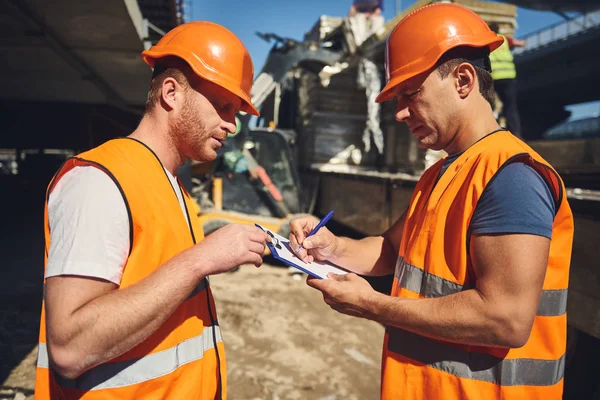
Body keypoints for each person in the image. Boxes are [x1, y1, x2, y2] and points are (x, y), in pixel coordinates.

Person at [289, 4, 573, 399]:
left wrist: (373, 304)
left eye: (411, 93)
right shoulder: (440, 173)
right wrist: (331, 247)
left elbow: (505, 319)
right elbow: (391, 249)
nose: (401, 112)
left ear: (462, 80)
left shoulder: (511, 177)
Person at [34, 21, 269, 399]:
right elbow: (69, 346)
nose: (232, 124)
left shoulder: (173, 185)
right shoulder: (99, 182)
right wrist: (200, 259)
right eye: (224, 105)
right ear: (171, 93)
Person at [489, 22, 525, 138]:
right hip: (509, 77)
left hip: (495, 78)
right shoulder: (504, 40)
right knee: (511, 106)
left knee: (491, 105)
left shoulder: (487, 40)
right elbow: (520, 43)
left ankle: (491, 130)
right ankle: (515, 133)